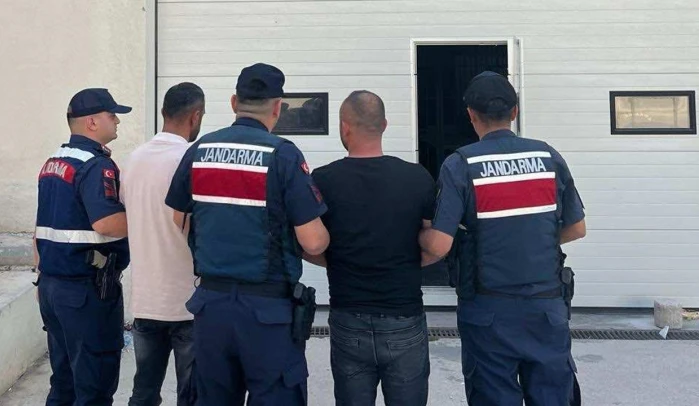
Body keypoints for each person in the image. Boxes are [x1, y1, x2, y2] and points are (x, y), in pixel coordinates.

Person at [164, 63, 330, 406]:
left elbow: (178, 218)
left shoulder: (200, 150)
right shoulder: (282, 155)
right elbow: (313, 241)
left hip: (211, 307)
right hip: (267, 312)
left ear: (234, 102)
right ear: (278, 107)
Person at [419, 71, 587, 406]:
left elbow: (439, 245)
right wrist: (531, 240)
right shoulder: (548, 157)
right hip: (546, 308)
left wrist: (419, 235)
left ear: (470, 115)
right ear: (515, 111)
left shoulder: (461, 164)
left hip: (488, 312)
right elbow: (576, 228)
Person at [306, 90, 435, 406]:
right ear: (385, 125)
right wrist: (407, 262)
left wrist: (339, 260)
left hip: (348, 316)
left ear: (344, 127)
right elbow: (436, 242)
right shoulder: (417, 177)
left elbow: (307, 245)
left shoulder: (323, 180)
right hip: (404, 316)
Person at [34, 88, 132, 406]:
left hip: (52, 287)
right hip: (86, 293)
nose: (117, 121)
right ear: (92, 122)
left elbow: (40, 230)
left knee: (64, 382)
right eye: (111, 115)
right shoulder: (96, 166)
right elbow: (106, 223)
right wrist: (148, 219)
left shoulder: (54, 163)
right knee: (94, 387)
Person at [121, 82, 205, 406]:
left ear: (163, 112)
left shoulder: (134, 159)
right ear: (195, 116)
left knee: (143, 392)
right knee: (192, 395)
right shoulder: (192, 160)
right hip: (188, 302)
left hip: (146, 300)